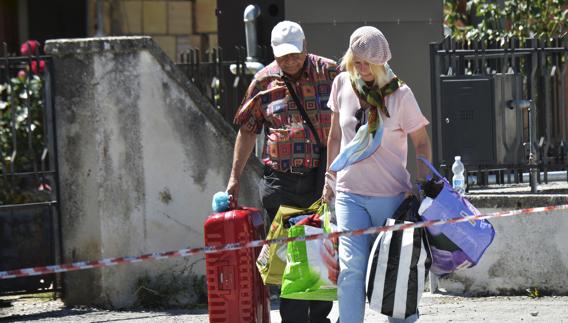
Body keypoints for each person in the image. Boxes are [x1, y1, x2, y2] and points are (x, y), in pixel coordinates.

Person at [226, 20, 337, 323]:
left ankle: (319, 318)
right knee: (292, 256)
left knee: (319, 249)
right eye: (282, 57)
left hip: (320, 178)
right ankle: (294, 319)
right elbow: (248, 130)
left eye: (294, 55)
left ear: (305, 46)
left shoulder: (330, 72)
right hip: (281, 181)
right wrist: (234, 177)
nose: (289, 62)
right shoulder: (263, 81)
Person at [322, 26, 432, 323]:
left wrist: (421, 186)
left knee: (394, 270)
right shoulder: (342, 83)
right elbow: (334, 138)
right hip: (349, 196)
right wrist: (329, 179)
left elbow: (421, 141)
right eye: (356, 62)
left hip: (392, 198)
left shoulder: (401, 94)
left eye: (368, 64)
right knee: (351, 269)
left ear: (381, 62)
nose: (362, 70)